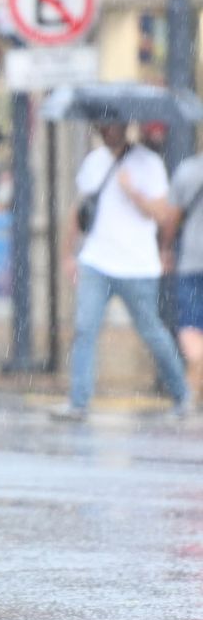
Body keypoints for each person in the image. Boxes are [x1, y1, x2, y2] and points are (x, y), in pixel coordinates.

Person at [53, 122, 192, 421]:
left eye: (111, 125)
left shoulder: (149, 163)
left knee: (152, 333)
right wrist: (68, 254)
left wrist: (133, 192)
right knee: (84, 329)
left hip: (137, 266)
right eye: (101, 125)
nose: (106, 131)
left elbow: (161, 213)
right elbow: (80, 210)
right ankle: (79, 402)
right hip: (96, 261)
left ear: (124, 126)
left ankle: (182, 396)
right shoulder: (93, 162)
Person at [161, 145, 203, 408]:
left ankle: (189, 395)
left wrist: (165, 248)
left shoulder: (188, 171)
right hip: (191, 264)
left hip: (192, 262)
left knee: (189, 328)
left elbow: (171, 218)